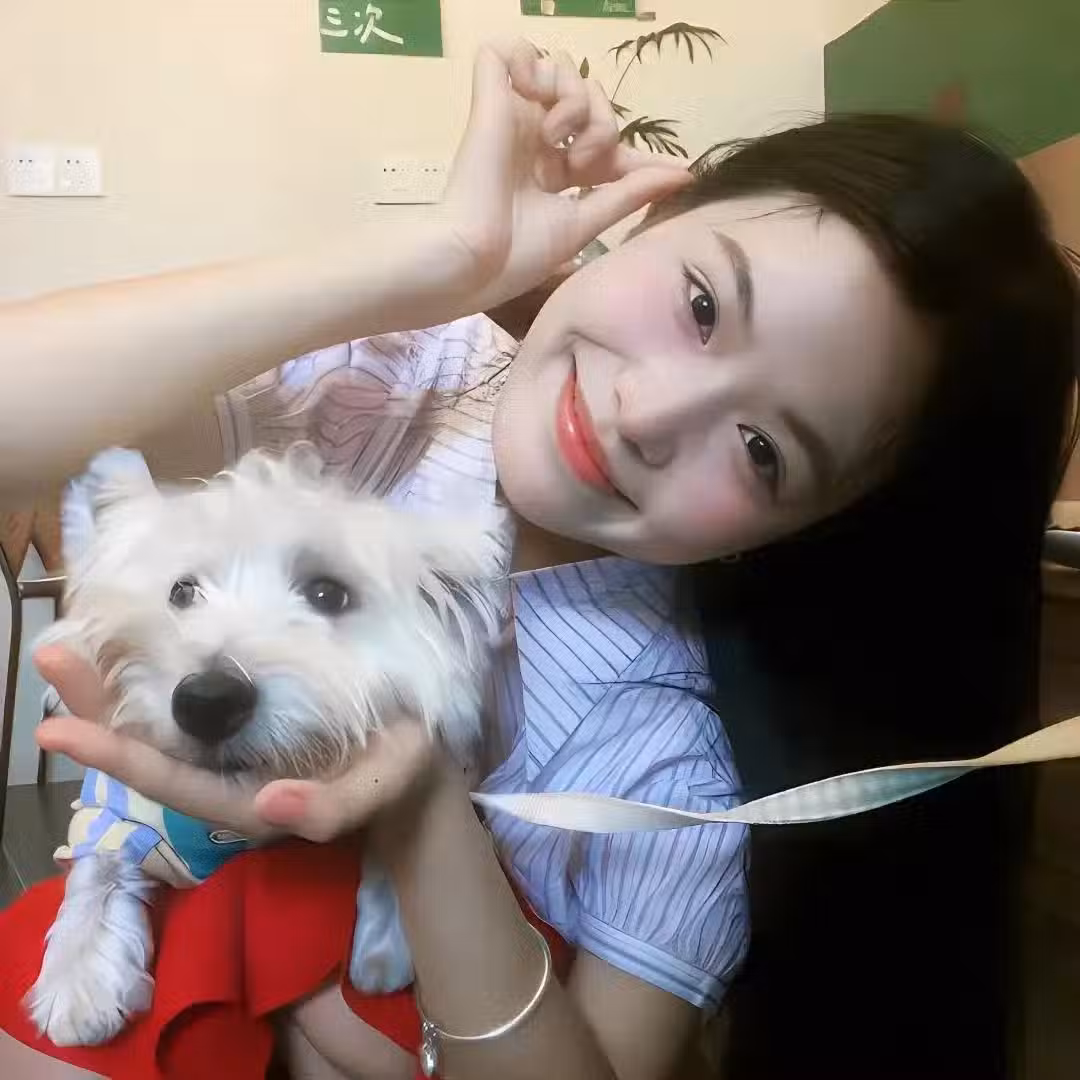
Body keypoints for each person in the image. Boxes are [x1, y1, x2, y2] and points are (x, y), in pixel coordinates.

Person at [0, 37, 1076, 1080]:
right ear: (655, 214)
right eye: (703, 304)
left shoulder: (664, 759)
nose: (645, 413)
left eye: (762, 450)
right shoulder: (398, 374)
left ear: (801, 529)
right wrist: (442, 258)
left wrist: (423, 819)